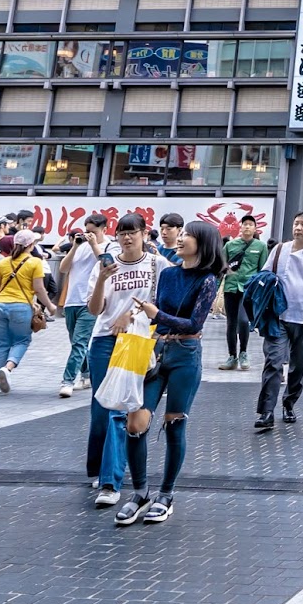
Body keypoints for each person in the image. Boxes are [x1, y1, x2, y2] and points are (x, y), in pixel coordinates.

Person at [112, 218, 224, 526]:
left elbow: (195, 324)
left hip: (186, 355)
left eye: (187, 235)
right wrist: (140, 316)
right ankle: (140, 492)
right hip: (156, 351)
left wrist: (157, 314)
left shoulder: (208, 279)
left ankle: (166, 494)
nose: (180, 238)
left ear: (202, 243)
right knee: (135, 422)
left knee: (175, 425)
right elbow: (156, 312)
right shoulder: (169, 273)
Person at [84, 215, 168, 508]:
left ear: (144, 234)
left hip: (135, 341)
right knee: (100, 409)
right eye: (122, 233)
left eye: (133, 233)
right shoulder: (106, 266)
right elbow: (95, 310)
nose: (127, 238)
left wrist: (133, 315)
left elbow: (164, 306)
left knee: (118, 411)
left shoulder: (158, 265)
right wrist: (103, 280)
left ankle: (110, 482)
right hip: (104, 340)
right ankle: (97, 468)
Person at [256, 211, 303, 430]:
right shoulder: (280, 249)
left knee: (298, 365)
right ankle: (267, 411)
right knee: (274, 362)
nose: (298, 228)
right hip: (278, 316)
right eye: (295, 223)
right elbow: (265, 274)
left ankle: (289, 402)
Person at [0, 227, 50, 393]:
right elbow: (39, 289)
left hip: (0, 306)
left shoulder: (3, 262)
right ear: (31, 245)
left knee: (2, 343)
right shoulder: (35, 262)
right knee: (22, 341)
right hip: (21, 307)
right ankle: (7, 369)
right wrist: (50, 305)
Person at [56, 213, 109, 399]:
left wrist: (94, 244)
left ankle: (67, 381)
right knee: (77, 342)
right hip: (71, 301)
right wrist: (75, 246)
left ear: (104, 229)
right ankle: (87, 376)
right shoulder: (79, 246)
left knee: (79, 342)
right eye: (86, 231)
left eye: (92, 232)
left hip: (90, 302)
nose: (88, 235)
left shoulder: (108, 246)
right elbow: (63, 268)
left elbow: (104, 263)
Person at [219, 213, 268, 370]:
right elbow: (222, 267)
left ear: (255, 229)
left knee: (243, 320)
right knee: (231, 323)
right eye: (244, 224)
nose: (247, 226)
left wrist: (261, 292)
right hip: (231, 288)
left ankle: (244, 353)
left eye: (250, 224)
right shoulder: (230, 245)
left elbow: (263, 270)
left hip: (249, 289)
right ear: (240, 227)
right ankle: (232, 357)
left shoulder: (261, 247)